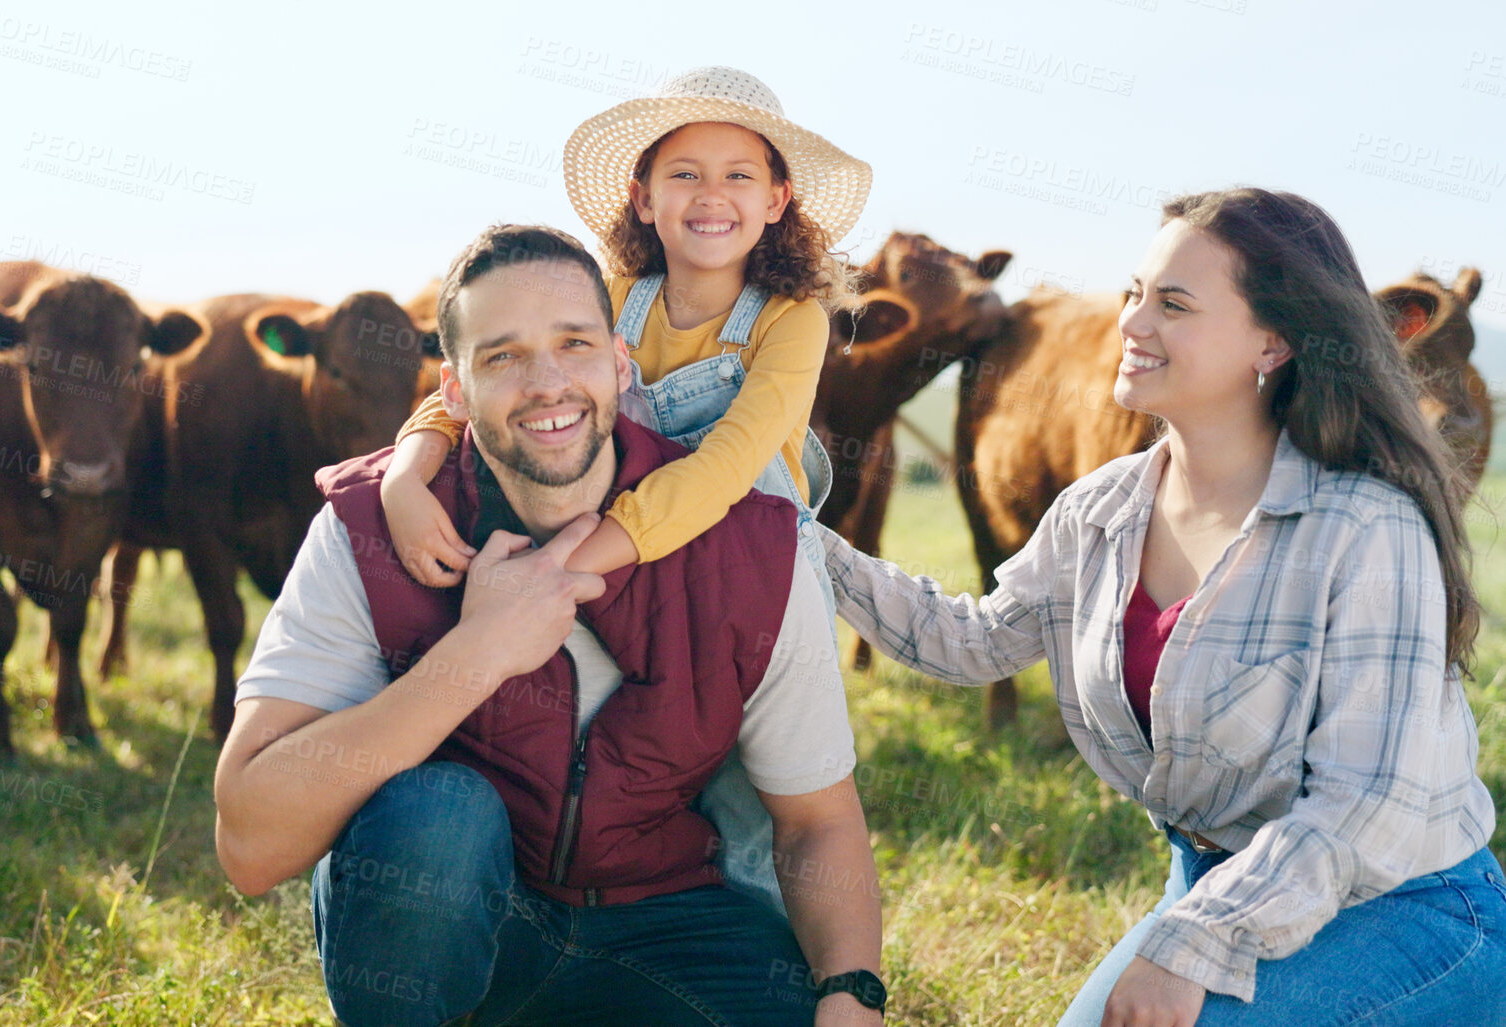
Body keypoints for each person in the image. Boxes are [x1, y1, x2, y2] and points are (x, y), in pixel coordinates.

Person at [816, 188, 1506, 1026]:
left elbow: (1366, 808)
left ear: (1274, 340)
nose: (1132, 324)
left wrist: (1191, 945)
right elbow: (972, 640)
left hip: (1403, 903)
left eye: (1172, 304)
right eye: (1133, 294)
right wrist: (797, 540)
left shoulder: (1364, 527)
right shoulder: (1099, 509)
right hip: (1216, 884)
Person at [213, 225, 887, 1026]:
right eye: (501, 356)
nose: (547, 382)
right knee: (437, 816)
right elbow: (250, 844)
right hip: (477, 919)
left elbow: (818, 822)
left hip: (669, 925)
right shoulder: (368, 530)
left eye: (574, 344)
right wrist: (476, 653)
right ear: (452, 391)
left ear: (619, 362)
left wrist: (854, 998)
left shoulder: (751, 547)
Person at [382, 64, 871, 914]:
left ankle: (766, 963)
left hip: (739, 587)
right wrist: (405, 471)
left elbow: (728, 465)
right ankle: (571, 926)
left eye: (738, 176)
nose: (709, 195)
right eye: (683, 173)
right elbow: (475, 380)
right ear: (642, 196)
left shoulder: (790, 321)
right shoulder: (611, 300)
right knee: (615, 763)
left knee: (746, 793)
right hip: (618, 577)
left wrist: (569, 567)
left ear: (778, 199)